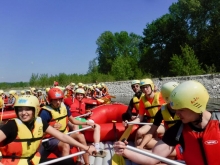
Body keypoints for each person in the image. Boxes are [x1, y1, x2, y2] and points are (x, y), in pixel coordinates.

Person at [113, 80, 220, 165]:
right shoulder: (179, 129)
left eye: (181, 110)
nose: (177, 114)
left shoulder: (218, 122)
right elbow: (153, 157)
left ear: (196, 106)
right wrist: (125, 151)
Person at [0, 95, 95, 165]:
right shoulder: (11, 126)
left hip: (33, 161)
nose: (23, 113)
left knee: (68, 161)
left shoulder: (39, 122)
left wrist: (86, 148)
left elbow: (62, 136)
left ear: (35, 110)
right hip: (14, 163)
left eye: (28, 109)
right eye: (20, 110)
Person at [38, 88, 103, 164]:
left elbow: (73, 121)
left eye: (60, 99)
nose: (58, 102)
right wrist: (51, 127)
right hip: (50, 139)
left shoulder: (64, 107)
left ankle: (87, 163)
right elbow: (39, 131)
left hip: (64, 134)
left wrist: (87, 123)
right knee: (65, 145)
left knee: (81, 136)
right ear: (50, 100)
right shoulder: (45, 112)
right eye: (55, 100)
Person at [137, 82, 183, 161]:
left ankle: (156, 154)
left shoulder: (185, 109)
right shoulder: (162, 111)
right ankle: (158, 154)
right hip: (170, 140)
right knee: (141, 141)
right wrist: (141, 146)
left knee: (156, 153)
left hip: (183, 142)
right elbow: (151, 131)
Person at [127, 79, 166, 146]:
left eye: (147, 87)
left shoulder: (161, 96)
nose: (145, 89)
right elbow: (140, 117)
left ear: (152, 87)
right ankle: (138, 148)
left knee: (154, 131)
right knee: (139, 132)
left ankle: (155, 146)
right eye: (143, 88)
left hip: (162, 124)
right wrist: (131, 123)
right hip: (151, 123)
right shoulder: (143, 100)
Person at [70, 88, 107, 157]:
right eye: (78, 95)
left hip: (81, 121)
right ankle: (78, 152)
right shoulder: (70, 101)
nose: (80, 96)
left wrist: (87, 113)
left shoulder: (83, 103)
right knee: (75, 126)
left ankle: (97, 148)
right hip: (73, 120)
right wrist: (65, 90)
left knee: (97, 126)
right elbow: (62, 100)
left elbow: (82, 114)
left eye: (81, 95)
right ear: (75, 95)